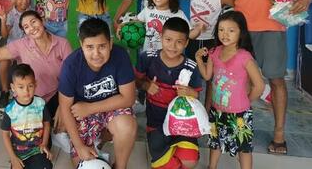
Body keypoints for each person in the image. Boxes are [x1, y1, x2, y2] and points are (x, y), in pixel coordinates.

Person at [222, 0, 312, 155]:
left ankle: (279, 136)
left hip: (271, 25)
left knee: (275, 79)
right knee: (238, 82)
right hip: (242, 28)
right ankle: (238, 130)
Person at [58, 18, 136, 169]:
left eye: (102, 46)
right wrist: (80, 147)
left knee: (127, 126)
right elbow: (65, 108)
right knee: (83, 163)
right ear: (81, 46)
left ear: (110, 44)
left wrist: (90, 108)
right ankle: (99, 138)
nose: (96, 54)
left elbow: (129, 98)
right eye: (89, 47)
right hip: (82, 114)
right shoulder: (71, 65)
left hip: (109, 107)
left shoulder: (120, 56)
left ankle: (120, 166)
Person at [196, 11, 265, 169]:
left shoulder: (244, 56)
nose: (225, 34)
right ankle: (211, 167)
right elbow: (207, 76)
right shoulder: (215, 52)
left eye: (231, 30)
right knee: (215, 143)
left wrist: (246, 101)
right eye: (221, 29)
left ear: (241, 32)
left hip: (240, 113)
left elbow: (259, 85)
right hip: (217, 110)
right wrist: (199, 59)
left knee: (244, 148)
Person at [0, 6, 72, 125]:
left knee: (64, 126)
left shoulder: (62, 44)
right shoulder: (21, 45)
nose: (32, 28)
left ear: (42, 21)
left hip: (55, 96)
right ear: (25, 32)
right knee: (33, 138)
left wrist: (63, 107)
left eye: (33, 22)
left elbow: (70, 79)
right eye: (26, 27)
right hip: (29, 99)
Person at [135, 17, 202, 169]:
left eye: (179, 42)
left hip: (181, 123)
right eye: (168, 39)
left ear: (186, 43)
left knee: (190, 161)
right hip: (156, 124)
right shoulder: (148, 57)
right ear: (161, 38)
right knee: (167, 164)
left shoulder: (191, 67)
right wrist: (145, 85)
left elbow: (197, 96)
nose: (172, 46)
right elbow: (134, 80)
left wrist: (190, 92)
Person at [186, 0, 235, 110]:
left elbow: (238, 11)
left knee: (210, 78)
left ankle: (207, 111)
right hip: (192, 39)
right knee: (189, 76)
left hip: (211, 41)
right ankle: (192, 109)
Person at [1, 63, 53, 169]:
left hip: (37, 148)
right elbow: (5, 134)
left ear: (35, 84)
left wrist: (44, 143)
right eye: (21, 87)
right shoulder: (10, 109)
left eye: (30, 86)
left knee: (46, 166)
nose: (26, 91)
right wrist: (13, 157)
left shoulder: (40, 103)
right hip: (18, 152)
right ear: (13, 87)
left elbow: (47, 124)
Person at [137, 0, 203, 53]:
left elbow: (190, 35)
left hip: (169, 56)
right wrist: (122, 25)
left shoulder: (178, 14)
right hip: (149, 55)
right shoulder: (148, 9)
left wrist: (198, 29)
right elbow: (136, 22)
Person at [0, 0, 32, 117]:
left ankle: (23, 96)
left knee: (27, 68)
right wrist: (3, 20)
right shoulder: (11, 13)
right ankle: (5, 91)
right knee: (3, 62)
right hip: (13, 46)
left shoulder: (32, 12)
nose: (24, 1)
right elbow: (5, 35)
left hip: (28, 48)